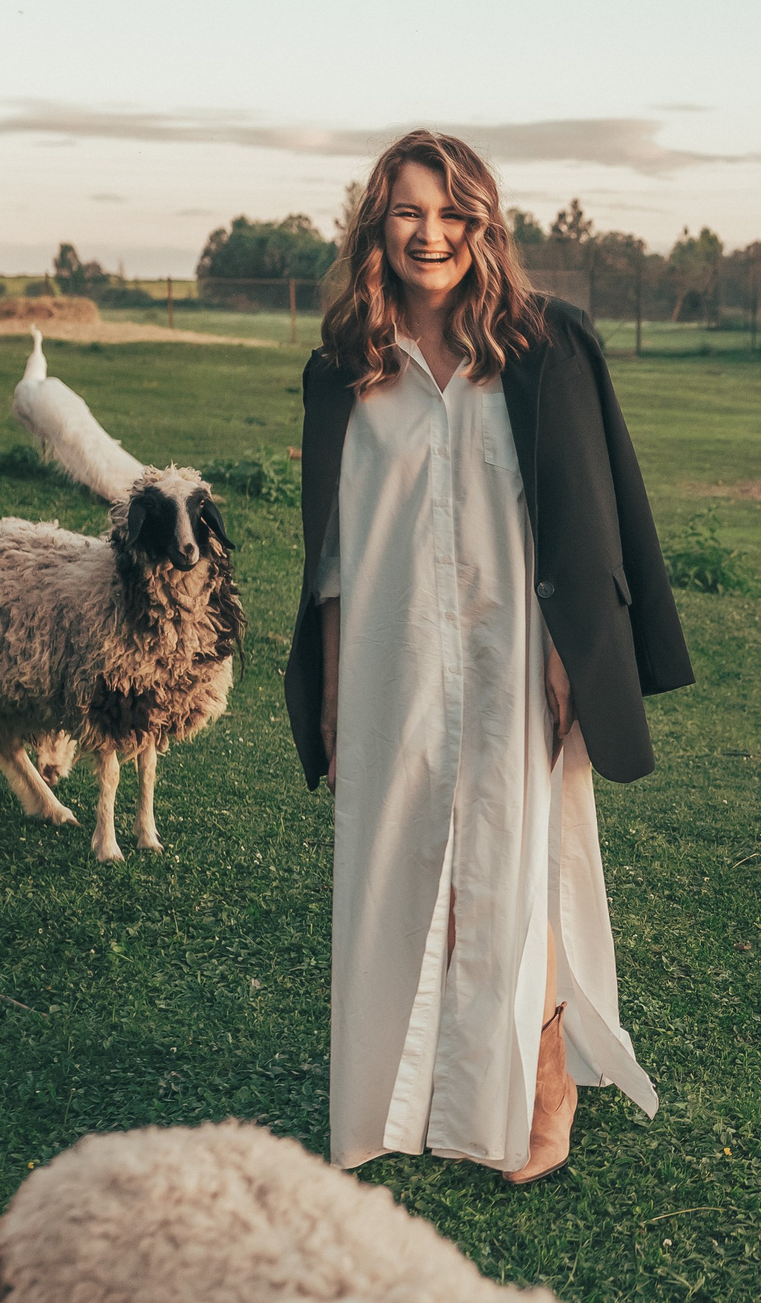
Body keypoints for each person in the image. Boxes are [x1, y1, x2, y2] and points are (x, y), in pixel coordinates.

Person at [282, 130, 691, 1184]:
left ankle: (544, 1075)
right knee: (392, 868)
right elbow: (330, 550)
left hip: (515, 647)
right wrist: (328, 681)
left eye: (454, 213)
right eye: (410, 212)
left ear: (483, 226)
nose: (432, 234)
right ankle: (392, 1101)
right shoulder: (343, 367)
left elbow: (589, 517)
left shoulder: (544, 345)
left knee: (518, 860)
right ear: (378, 222)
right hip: (387, 654)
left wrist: (571, 654)